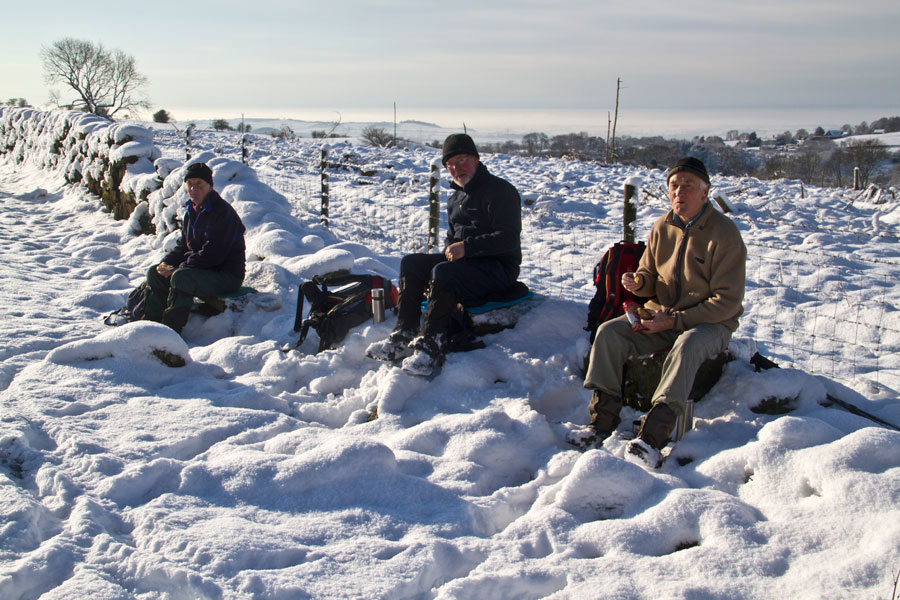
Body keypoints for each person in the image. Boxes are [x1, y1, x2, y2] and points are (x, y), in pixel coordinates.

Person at [580, 157, 746, 468]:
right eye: (674, 186)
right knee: (609, 333)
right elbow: (649, 278)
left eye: (688, 186)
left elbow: (728, 302)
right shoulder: (662, 226)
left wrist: (676, 320)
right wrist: (639, 282)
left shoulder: (725, 234)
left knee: (688, 345)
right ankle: (600, 422)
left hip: (711, 323)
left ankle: (652, 437)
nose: (679, 193)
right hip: (663, 315)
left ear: (705, 192)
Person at [366, 133, 522, 376]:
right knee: (412, 262)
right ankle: (403, 333)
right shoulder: (456, 198)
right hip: (467, 266)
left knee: (443, 271)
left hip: (498, 268)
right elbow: (452, 240)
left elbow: (508, 238)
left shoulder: (500, 191)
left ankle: (431, 346)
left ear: (476, 160)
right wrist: (451, 252)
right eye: (450, 165)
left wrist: (467, 248)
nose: (456, 169)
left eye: (461, 161)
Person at [143, 162, 246, 333]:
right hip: (202, 271)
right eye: (190, 184)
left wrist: (178, 268)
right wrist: (167, 264)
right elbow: (184, 245)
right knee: (154, 273)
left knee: (181, 277)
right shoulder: (191, 211)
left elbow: (214, 254)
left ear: (210, 187)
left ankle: (171, 331)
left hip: (227, 276)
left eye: (199, 184)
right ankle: (150, 324)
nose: (193, 188)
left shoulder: (222, 213)